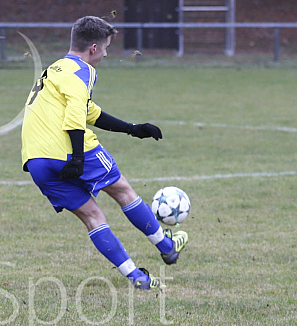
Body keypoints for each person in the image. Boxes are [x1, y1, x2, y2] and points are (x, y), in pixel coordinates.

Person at [21, 16, 188, 290]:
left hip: (36, 159)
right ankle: (167, 246)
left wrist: (133, 129)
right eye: (107, 47)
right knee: (123, 191)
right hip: (69, 149)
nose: (107, 54)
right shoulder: (83, 70)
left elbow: (88, 111)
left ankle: (138, 278)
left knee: (92, 217)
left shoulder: (55, 69)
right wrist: (76, 157)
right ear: (94, 48)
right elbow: (75, 114)